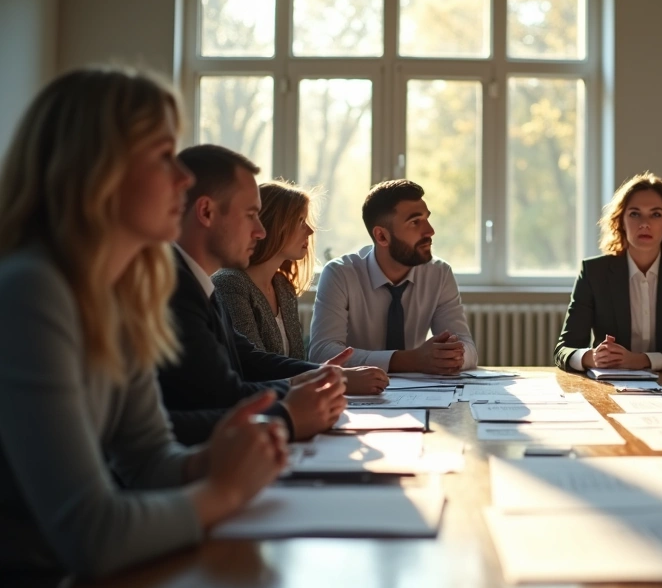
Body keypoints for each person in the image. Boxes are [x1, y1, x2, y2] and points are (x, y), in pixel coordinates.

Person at [0, 67, 287, 588]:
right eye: (162, 156)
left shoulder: (121, 293)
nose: (183, 178)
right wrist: (224, 491)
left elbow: (149, 460)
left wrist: (212, 461)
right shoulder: (32, 291)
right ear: (97, 170)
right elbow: (91, 534)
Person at [159, 145, 353, 446]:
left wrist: (315, 375)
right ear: (206, 212)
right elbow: (223, 394)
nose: (261, 231)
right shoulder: (175, 290)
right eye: (251, 215)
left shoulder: (199, 284)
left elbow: (247, 358)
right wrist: (290, 411)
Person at [212, 181, 388, 389]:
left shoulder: (283, 287)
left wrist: (326, 376)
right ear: (272, 225)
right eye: (301, 221)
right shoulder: (230, 284)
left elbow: (294, 361)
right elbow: (252, 368)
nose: (310, 231)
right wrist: (332, 378)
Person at [309, 179, 477, 374]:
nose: (430, 231)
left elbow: (467, 348)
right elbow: (322, 353)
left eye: (426, 219)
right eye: (415, 222)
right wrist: (412, 360)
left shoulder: (439, 273)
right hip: (357, 389)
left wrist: (453, 356)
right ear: (382, 236)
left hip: (419, 389)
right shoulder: (340, 274)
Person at [554, 173, 662, 371]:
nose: (644, 224)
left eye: (656, 214)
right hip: (610, 383)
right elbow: (564, 349)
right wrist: (591, 357)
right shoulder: (594, 272)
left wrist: (642, 360)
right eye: (634, 214)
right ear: (621, 221)